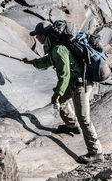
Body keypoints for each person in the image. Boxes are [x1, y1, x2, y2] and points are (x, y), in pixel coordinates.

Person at [22, 21, 106, 164]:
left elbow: (65, 75)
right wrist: (32, 62)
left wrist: (57, 92)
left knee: (84, 118)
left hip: (81, 83)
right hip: (74, 82)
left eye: (37, 36)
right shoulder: (56, 47)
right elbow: (48, 60)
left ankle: (96, 152)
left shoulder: (58, 49)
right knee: (62, 102)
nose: (37, 39)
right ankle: (72, 126)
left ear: (43, 35)